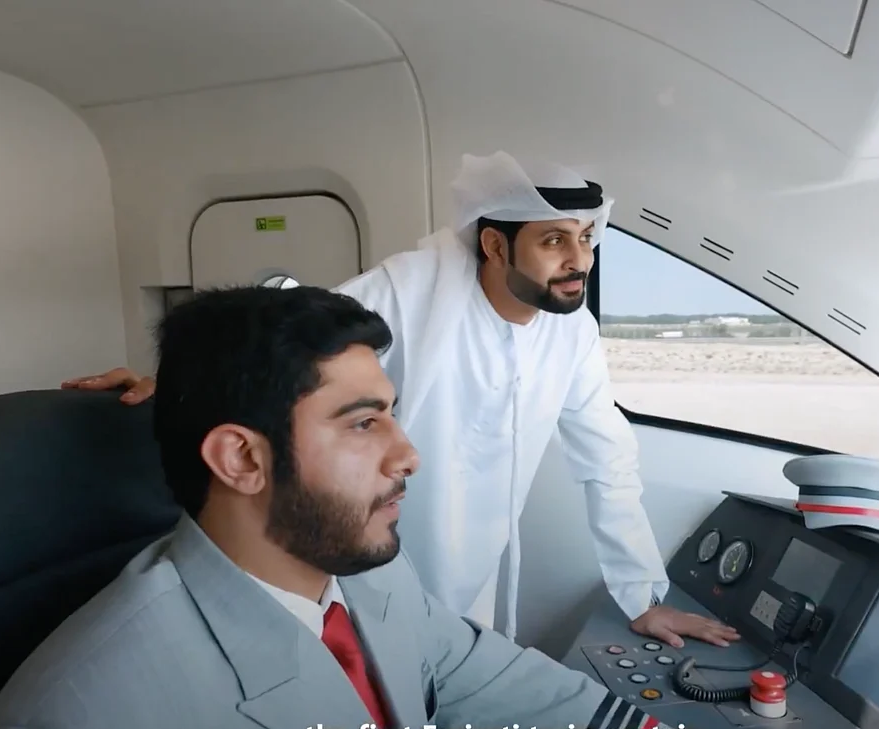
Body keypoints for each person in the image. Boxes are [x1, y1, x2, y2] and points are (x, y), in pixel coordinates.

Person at [63, 151, 739, 649]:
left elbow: (608, 459)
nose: (579, 259)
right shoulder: (412, 291)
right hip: (374, 563)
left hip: (476, 574)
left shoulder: (575, 335)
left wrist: (642, 596)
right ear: (496, 243)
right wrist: (183, 379)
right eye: (555, 239)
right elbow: (286, 338)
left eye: (586, 238)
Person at [0, 285, 678, 729]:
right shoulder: (87, 702)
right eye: (363, 422)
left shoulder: (369, 579)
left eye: (392, 416)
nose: (409, 455)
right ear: (243, 459)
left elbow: (502, 680)